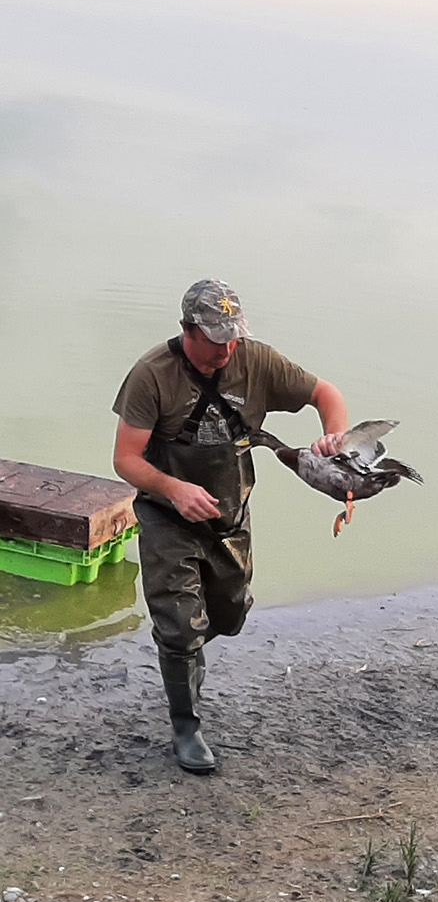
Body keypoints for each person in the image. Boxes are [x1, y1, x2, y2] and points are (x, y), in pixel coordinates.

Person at [112, 280, 349, 774]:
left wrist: (334, 436)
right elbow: (126, 460)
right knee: (179, 625)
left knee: (229, 614)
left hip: (229, 515)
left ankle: (189, 653)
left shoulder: (257, 361)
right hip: (168, 516)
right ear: (187, 330)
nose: (226, 348)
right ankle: (186, 724)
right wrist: (174, 489)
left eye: (232, 336)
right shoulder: (151, 375)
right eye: (215, 338)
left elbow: (325, 393)